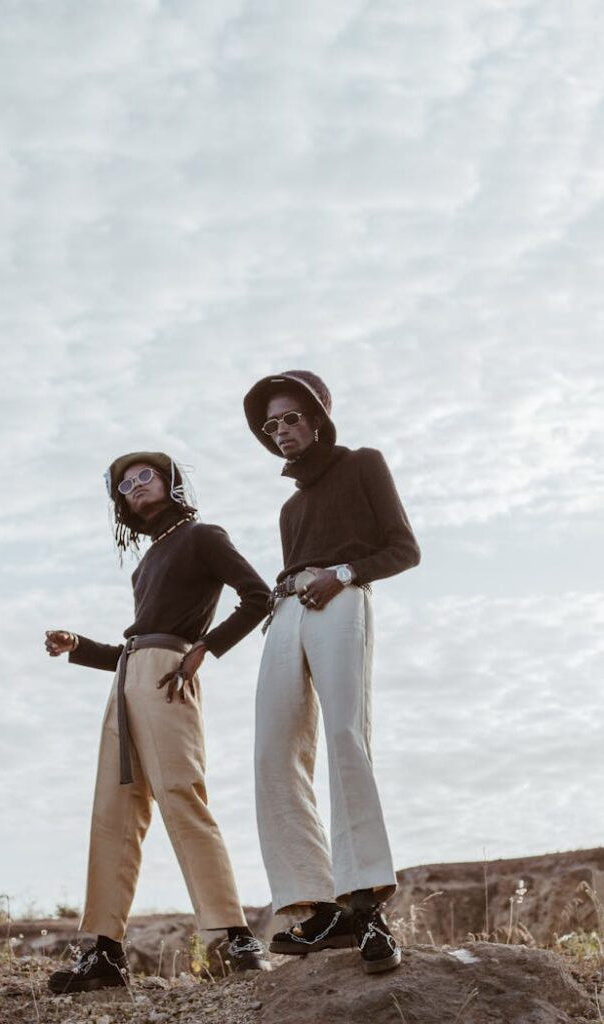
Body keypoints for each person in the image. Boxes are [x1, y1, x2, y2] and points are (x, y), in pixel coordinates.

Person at [45, 451, 271, 993]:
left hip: (169, 674)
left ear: (170, 481)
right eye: (124, 484)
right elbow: (137, 640)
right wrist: (79, 646)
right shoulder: (145, 563)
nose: (134, 486)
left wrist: (205, 650)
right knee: (113, 810)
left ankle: (234, 934)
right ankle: (104, 951)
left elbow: (258, 596)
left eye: (145, 475)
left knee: (181, 794)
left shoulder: (204, 536)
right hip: (126, 676)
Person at [243, 371, 420, 974]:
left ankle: (365, 902)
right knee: (273, 750)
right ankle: (316, 904)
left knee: (345, 735)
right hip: (285, 611)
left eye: (292, 417)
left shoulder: (363, 463)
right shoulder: (290, 507)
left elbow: (404, 549)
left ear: (318, 416)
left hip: (340, 597)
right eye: (271, 425)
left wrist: (342, 574)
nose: (282, 431)